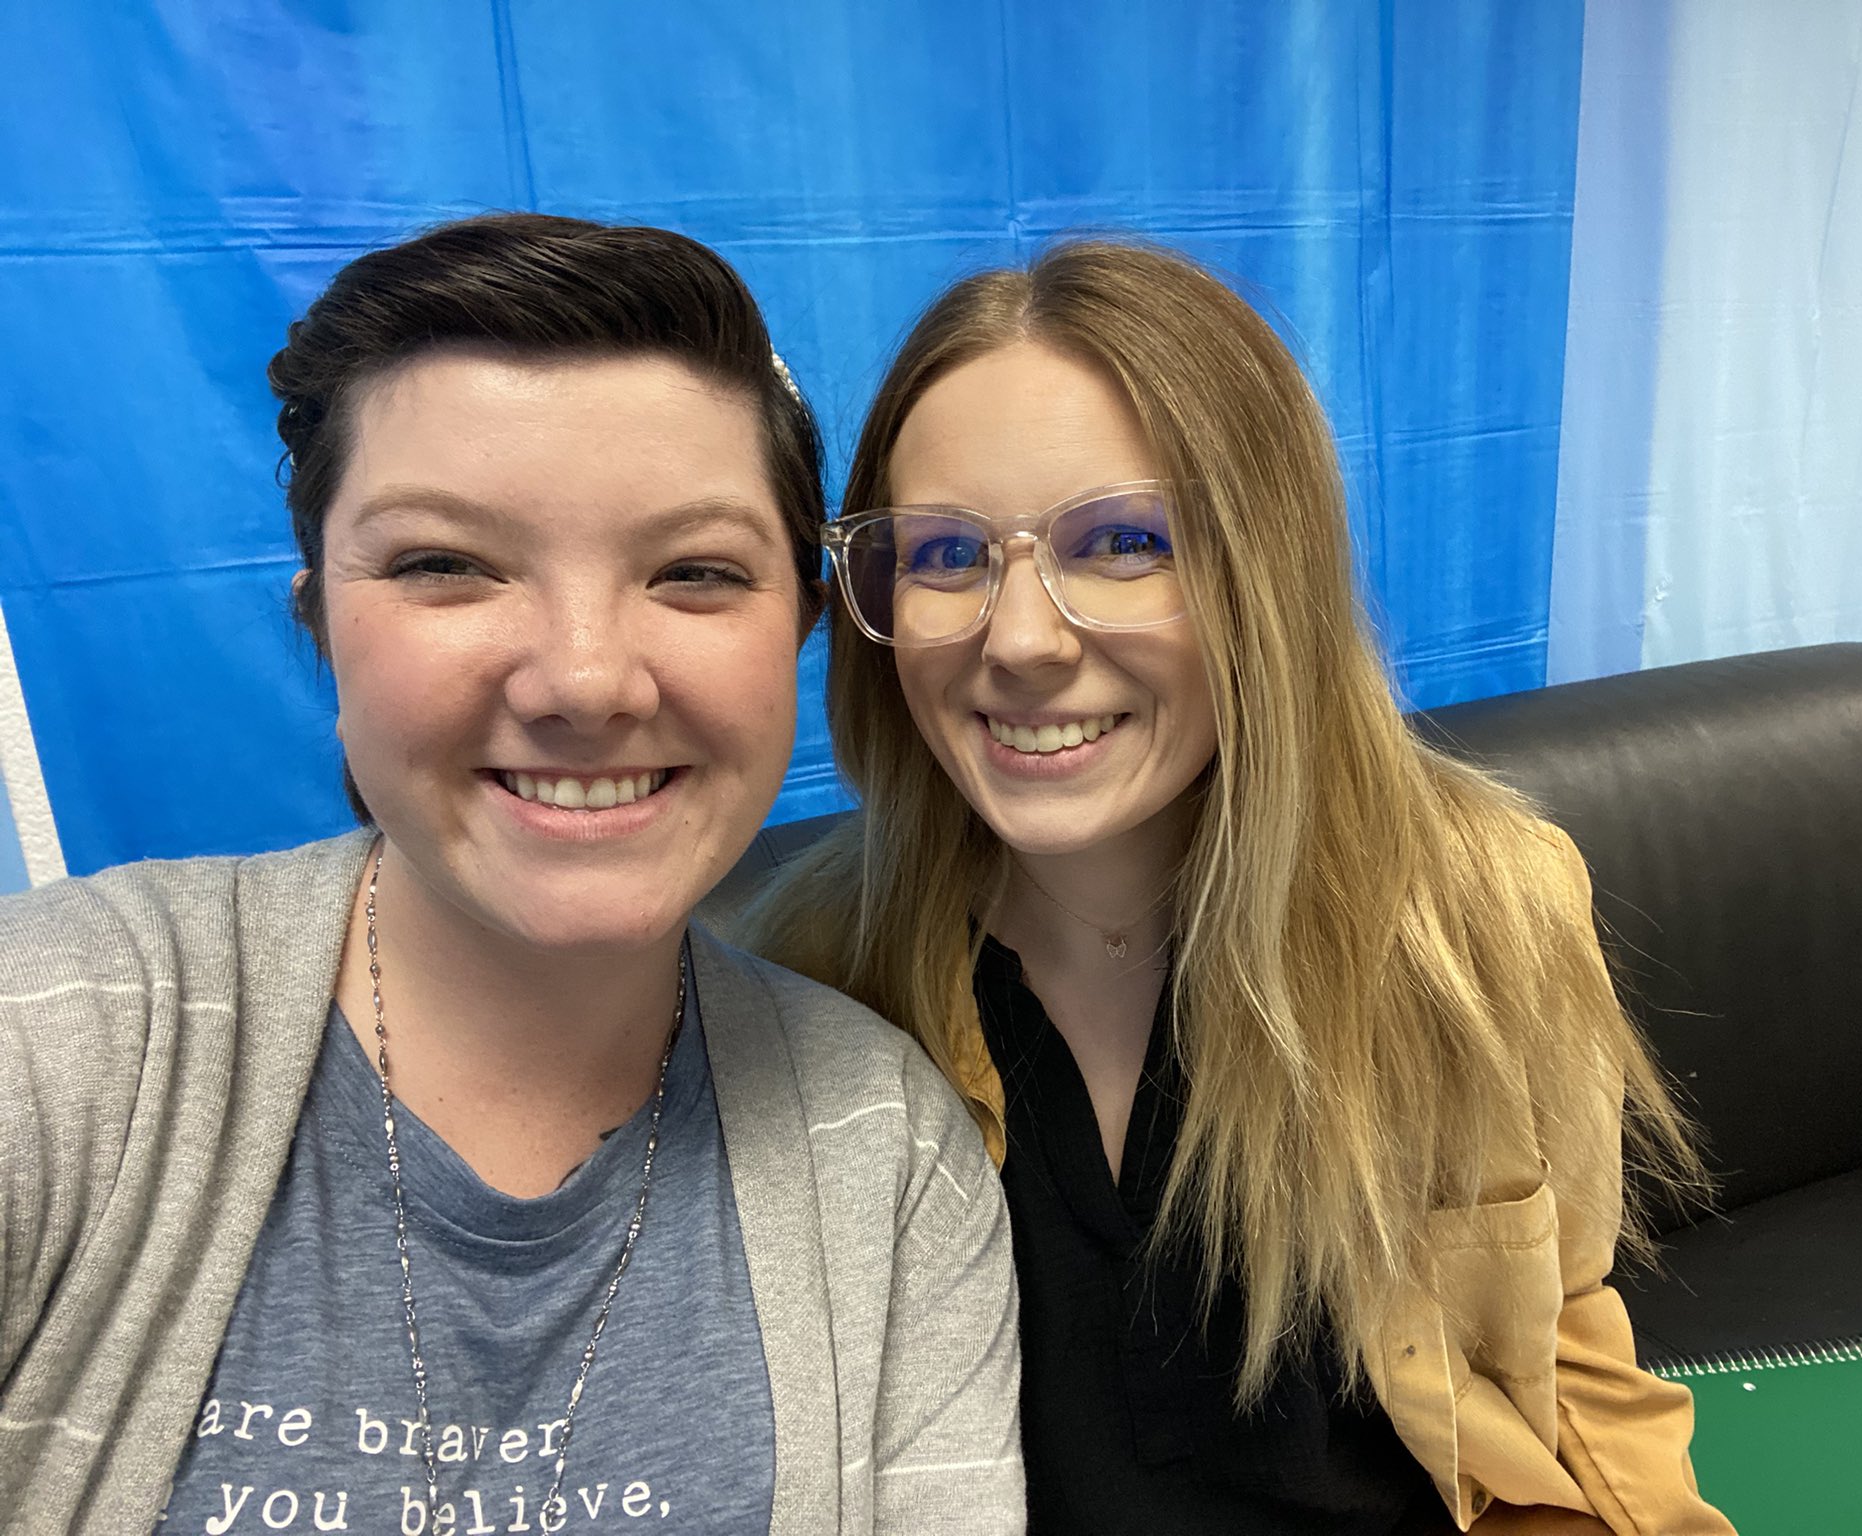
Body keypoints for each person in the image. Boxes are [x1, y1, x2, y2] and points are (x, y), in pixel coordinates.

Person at [0, 214, 1022, 1536]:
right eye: (446, 566)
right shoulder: (59, 1039)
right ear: (320, 620)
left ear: (800, 631)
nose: (585, 681)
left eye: (696, 573)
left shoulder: (884, 1151)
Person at [746, 240, 1734, 1534]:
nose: (1022, 639)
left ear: (1269, 573)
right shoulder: (819, 977)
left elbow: (1564, 1360)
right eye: (944, 554)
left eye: (1125, 541)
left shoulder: (1482, 916)